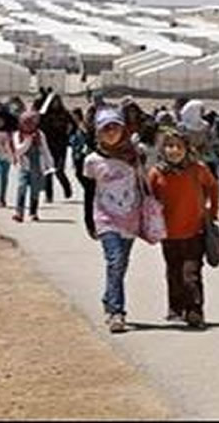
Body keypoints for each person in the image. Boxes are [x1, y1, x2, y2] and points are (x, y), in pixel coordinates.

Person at [148, 127, 218, 328]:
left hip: (194, 231)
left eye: (179, 146)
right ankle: (176, 308)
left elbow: (212, 186)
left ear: (187, 149)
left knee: (191, 273)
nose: (174, 151)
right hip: (168, 233)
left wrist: (212, 212)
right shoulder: (157, 172)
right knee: (174, 272)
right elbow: (149, 200)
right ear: (163, 149)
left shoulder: (197, 169)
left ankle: (195, 310)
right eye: (170, 146)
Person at [83, 108, 143, 334]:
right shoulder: (92, 161)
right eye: (105, 129)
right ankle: (116, 312)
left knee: (121, 265)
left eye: (115, 127)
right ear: (98, 132)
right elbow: (89, 192)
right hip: (105, 218)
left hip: (130, 217)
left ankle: (109, 298)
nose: (111, 133)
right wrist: (89, 220)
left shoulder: (135, 155)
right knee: (115, 261)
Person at [13, 110, 55, 223]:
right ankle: (19, 212)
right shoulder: (18, 135)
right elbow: (18, 151)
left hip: (37, 167)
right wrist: (28, 139)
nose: (28, 126)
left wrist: (50, 165)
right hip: (24, 167)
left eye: (31, 123)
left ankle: (33, 212)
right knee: (21, 188)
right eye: (26, 123)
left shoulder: (40, 135)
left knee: (35, 191)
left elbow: (45, 150)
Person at [40, 92, 75, 202]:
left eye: (57, 101)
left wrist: (68, 134)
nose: (56, 104)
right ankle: (49, 196)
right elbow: (38, 123)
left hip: (61, 144)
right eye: (53, 101)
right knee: (48, 171)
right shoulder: (44, 114)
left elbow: (73, 125)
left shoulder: (64, 114)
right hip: (48, 145)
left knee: (59, 170)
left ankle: (67, 189)